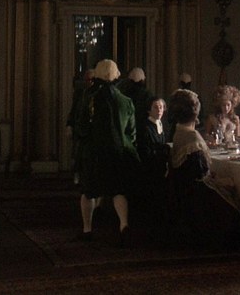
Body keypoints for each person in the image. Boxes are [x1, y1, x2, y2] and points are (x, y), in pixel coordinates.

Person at [73, 59, 140, 247]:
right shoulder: (125, 101)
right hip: (116, 152)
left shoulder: (89, 97)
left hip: (93, 152)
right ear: (116, 74)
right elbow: (131, 133)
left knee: (88, 191)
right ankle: (124, 225)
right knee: (118, 190)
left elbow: (82, 126)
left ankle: (87, 229)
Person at [167, 88, 240, 249]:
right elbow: (200, 175)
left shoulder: (179, 131)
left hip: (187, 189)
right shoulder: (192, 137)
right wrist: (221, 181)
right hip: (198, 194)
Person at [135, 96, 169, 231]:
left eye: (161, 107)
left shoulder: (161, 124)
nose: (159, 110)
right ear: (149, 110)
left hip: (160, 166)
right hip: (150, 168)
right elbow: (145, 151)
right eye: (156, 107)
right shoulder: (145, 127)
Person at [66, 68, 94, 185]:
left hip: (91, 131)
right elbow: (74, 111)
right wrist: (69, 125)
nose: (89, 82)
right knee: (77, 154)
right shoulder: (80, 94)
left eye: (91, 80)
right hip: (80, 129)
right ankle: (77, 173)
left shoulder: (96, 94)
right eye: (87, 80)